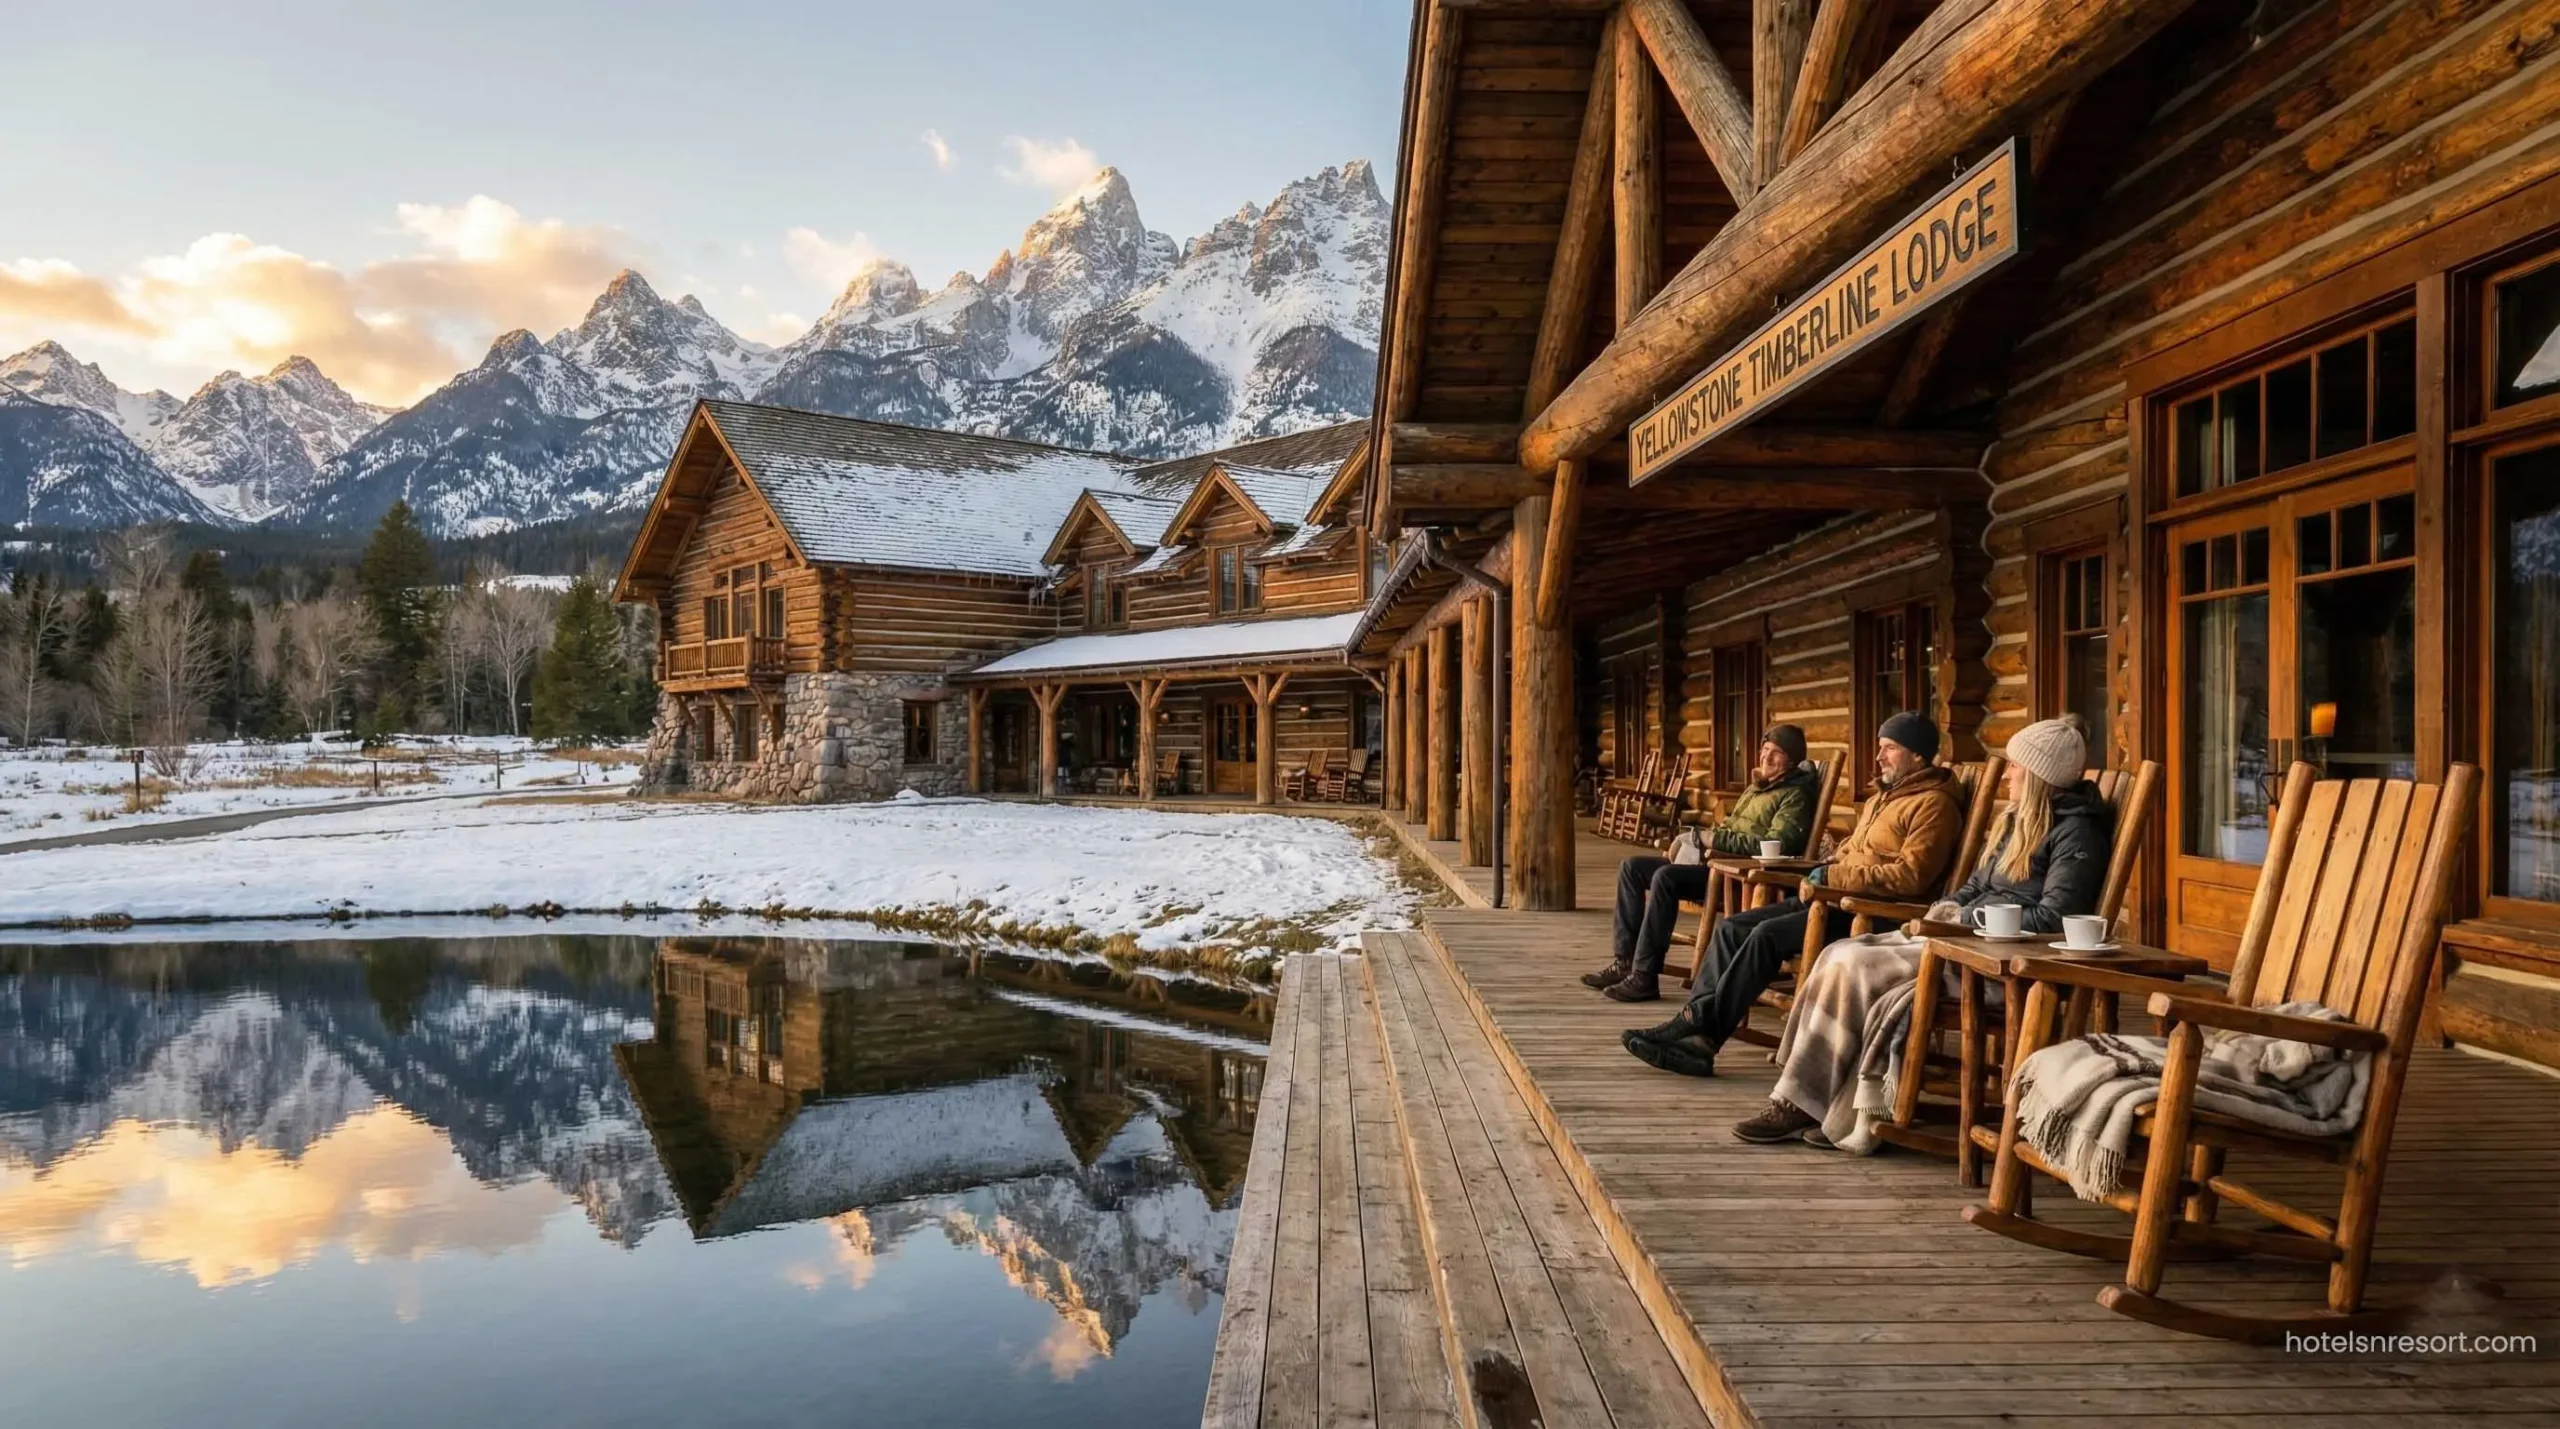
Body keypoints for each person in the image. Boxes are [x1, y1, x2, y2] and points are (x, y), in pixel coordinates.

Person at [1727, 716, 2111, 1145]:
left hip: (1994, 960)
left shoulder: (2077, 833)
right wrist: (1948, 909)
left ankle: (1802, 1104)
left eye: (2017, 767)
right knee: (1839, 953)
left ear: (2039, 775)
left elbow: (2055, 916)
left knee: (1856, 965)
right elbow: (1976, 886)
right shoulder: (2020, 821)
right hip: (1964, 939)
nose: (2008, 775)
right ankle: (1814, 1097)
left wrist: (1966, 919)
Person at [1620, 710, 1961, 1061]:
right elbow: (1851, 850)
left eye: (1889, 748)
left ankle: (1702, 1039)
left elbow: (1911, 877)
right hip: (1833, 898)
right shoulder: (1881, 799)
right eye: (1879, 747)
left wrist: (1833, 877)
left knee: (1765, 936)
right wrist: (1828, 865)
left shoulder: (1934, 806)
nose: (1878, 756)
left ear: (1918, 755)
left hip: (1873, 911)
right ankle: (1693, 1022)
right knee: (1732, 928)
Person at [1586, 725, 1822, 1000]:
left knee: (1666, 877)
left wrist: (1710, 839)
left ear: (1792, 761)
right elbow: (1728, 829)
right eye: (1765, 749)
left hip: (1738, 877)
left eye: (1776, 752)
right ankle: (1625, 961)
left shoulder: (1795, 795)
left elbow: (1776, 845)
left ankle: (1644, 976)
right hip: (1715, 864)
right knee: (1632, 868)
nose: (1766, 757)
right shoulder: (1758, 787)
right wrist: (1693, 839)